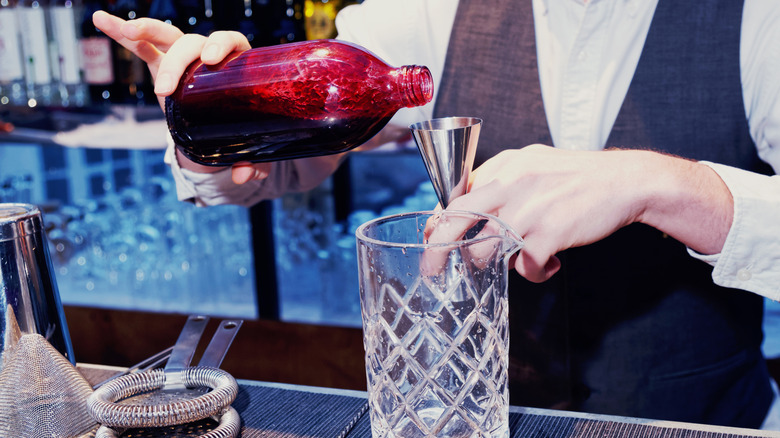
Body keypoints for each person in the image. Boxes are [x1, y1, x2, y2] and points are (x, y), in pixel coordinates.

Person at [93, 0, 780, 429]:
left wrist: (666, 185)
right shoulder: (432, 10)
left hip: (699, 422)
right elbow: (279, 169)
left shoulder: (758, 17)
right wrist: (228, 116)